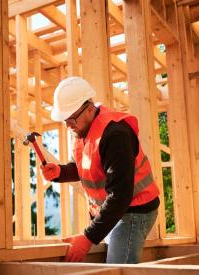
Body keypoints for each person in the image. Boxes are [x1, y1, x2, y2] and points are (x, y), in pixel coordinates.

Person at [41, 76, 160, 264]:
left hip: (135, 210)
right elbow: (84, 167)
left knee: (117, 270)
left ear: (89, 109)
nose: (68, 124)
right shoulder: (82, 130)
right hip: (113, 210)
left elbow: (120, 196)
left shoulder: (115, 135)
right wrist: (61, 172)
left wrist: (88, 238)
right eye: (65, 120)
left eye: (71, 118)